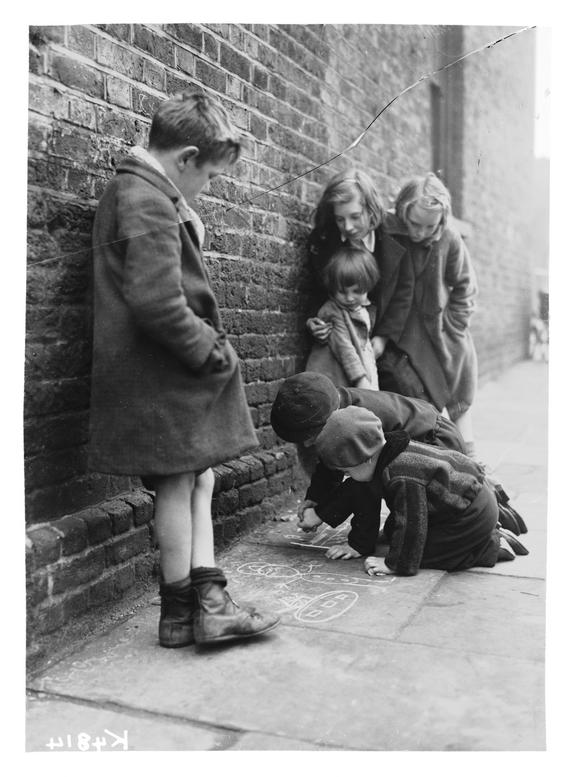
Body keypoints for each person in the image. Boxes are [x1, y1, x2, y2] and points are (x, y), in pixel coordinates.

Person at [89, 91, 279, 648]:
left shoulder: (144, 190)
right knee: (177, 484)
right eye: (211, 177)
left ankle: (201, 604)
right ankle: (182, 613)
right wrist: (211, 350)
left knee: (200, 474)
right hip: (159, 368)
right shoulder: (145, 197)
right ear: (187, 157)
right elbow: (156, 302)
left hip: (158, 369)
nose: (207, 188)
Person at [270, 372, 527, 559]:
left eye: (308, 438)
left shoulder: (359, 425)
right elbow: (331, 464)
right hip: (416, 444)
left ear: (326, 422)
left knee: (422, 530)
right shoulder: (338, 416)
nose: (306, 445)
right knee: (397, 528)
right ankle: (485, 516)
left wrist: (360, 544)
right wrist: (315, 500)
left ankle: (490, 535)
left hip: (435, 440)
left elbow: (365, 491)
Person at [313, 406, 528, 575]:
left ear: (367, 459)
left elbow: (412, 522)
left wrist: (395, 564)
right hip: (459, 503)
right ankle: (481, 537)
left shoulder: (403, 475)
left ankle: (491, 545)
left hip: (471, 515)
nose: (348, 477)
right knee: (393, 532)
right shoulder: (388, 451)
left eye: (348, 472)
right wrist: (360, 543)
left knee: (422, 552)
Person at [377, 173, 479, 458]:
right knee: (423, 406)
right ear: (402, 210)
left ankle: (474, 469)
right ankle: (441, 462)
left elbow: (466, 287)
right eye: (414, 224)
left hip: (444, 338)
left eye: (429, 226)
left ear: (442, 221)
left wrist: (453, 324)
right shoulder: (390, 230)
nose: (420, 233)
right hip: (405, 336)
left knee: (458, 404)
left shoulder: (448, 238)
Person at [306, 169, 413, 355]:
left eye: (355, 217)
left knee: (401, 383)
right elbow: (314, 291)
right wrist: (312, 321)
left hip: (380, 339)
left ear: (371, 210)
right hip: (339, 339)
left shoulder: (396, 238)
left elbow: (403, 293)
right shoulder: (323, 243)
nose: (347, 226)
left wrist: (383, 338)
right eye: (340, 219)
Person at [305, 243, 380, 390]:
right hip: (335, 376)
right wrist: (361, 381)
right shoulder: (332, 311)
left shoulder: (365, 309)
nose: (350, 298)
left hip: (358, 372)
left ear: (368, 285)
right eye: (342, 292)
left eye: (356, 291)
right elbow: (344, 348)